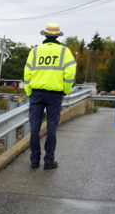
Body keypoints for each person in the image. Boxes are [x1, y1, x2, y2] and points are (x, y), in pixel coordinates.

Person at [23, 23, 77, 169]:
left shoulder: (35, 51)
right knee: (52, 127)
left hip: (36, 93)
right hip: (55, 95)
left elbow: (27, 74)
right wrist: (65, 90)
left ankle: (34, 160)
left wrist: (29, 92)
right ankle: (49, 161)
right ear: (58, 36)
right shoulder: (65, 52)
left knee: (35, 127)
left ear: (45, 35)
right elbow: (70, 74)